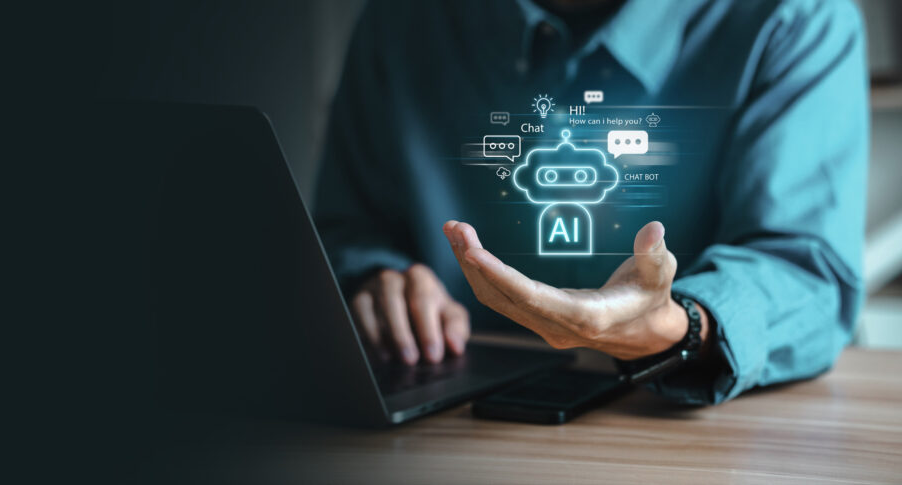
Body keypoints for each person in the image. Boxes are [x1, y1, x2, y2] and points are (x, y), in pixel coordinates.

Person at [314, 0, 868, 404]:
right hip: (441, 415)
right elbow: (348, 228)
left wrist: (678, 325)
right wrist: (374, 278)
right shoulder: (398, 22)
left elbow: (806, 274)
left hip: (677, 432)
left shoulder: (795, 17)